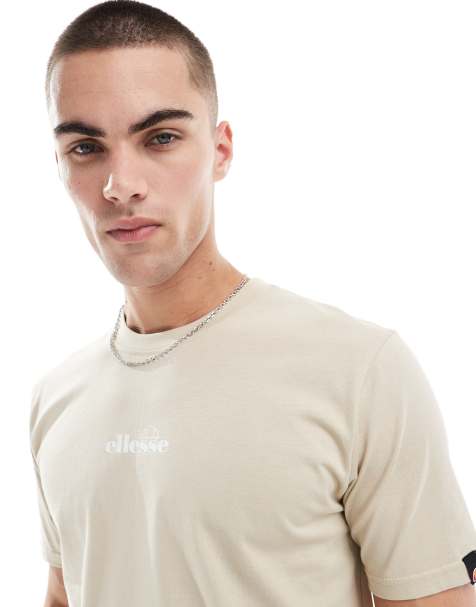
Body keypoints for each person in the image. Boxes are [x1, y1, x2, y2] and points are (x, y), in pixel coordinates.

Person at [29, 2, 476, 606]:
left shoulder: (358, 370)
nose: (121, 185)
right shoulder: (56, 398)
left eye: (160, 138)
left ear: (220, 151)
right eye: (86, 147)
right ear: (59, 164)